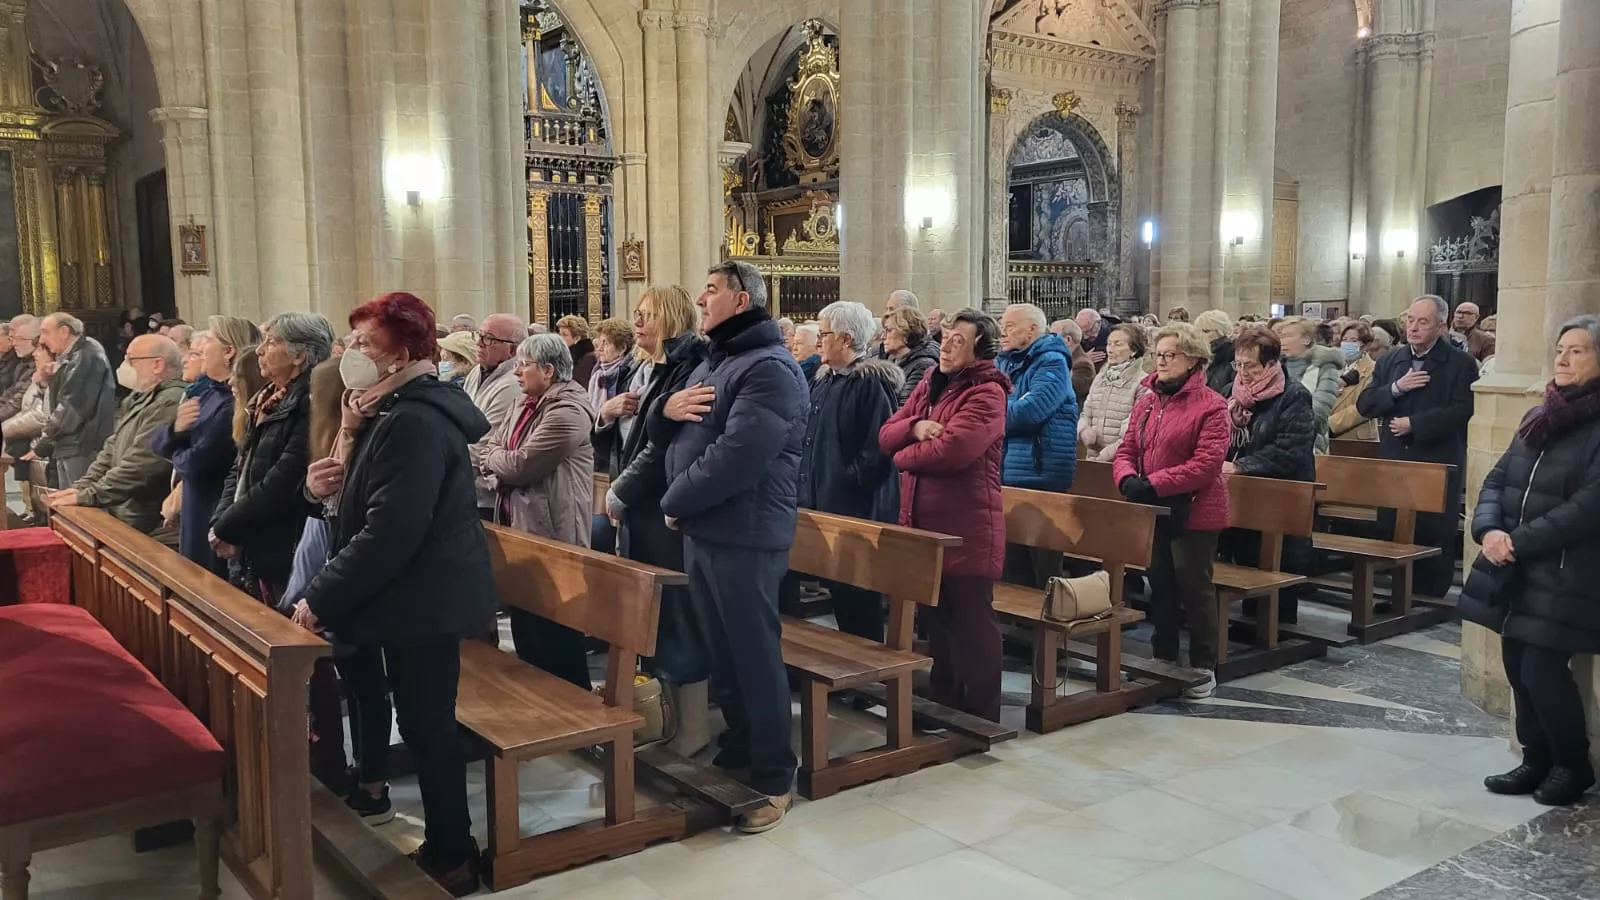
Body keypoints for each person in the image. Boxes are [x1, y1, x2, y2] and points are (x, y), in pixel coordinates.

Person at [293, 292, 495, 895]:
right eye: (351, 341)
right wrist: (317, 487)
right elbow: (357, 509)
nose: (351, 352)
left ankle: (452, 855)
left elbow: (391, 531)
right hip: (406, 596)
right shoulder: (388, 410)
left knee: (429, 727)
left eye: (365, 344)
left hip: (423, 600)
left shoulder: (413, 419)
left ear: (401, 354)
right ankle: (447, 846)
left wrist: (320, 595)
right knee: (424, 721)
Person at [656, 260, 806, 832]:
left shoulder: (769, 369)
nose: (701, 298)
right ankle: (740, 746)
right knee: (722, 651)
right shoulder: (718, 360)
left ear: (742, 300)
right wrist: (665, 412)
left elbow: (739, 454)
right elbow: (668, 425)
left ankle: (774, 775)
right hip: (708, 530)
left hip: (745, 532)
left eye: (712, 290)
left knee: (754, 653)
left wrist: (676, 500)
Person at [1461, 315, 1600, 807]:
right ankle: (1535, 757)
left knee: (1543, 668)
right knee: (1517, 664)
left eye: (1577, 351)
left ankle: (1572, 764)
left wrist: (1518, 540)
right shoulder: (1539, 415)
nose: (1562, 358)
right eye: (1560, 348)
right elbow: (1498, 478)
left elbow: (1587, 507)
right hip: (1516, 565)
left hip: (1568, 570)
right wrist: (1490, 529)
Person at [879, 308, 1008, 721]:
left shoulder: (987, 393)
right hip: (923, 523)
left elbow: (953, 451)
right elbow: (886, 433)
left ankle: (982, 713)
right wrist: (916, 428)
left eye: (958, 340)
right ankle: (944, 703)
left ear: (979, 350)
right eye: (946, 335)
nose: (947, 345)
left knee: (971, 624)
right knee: (936, 622)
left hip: (968, 526)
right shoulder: (933, 385)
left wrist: (904, 457)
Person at [603, 285, 712, 757]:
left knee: (677, 617)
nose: (638, 322)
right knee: (656, 617)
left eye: (646, 314)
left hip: (664, 510)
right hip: (645, 511)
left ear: (669, 317)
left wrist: (621, 489)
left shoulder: (688, 369)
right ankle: (664, 718)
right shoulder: (649, 368)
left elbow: (660, 447)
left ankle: (693, 726)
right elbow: (634, 437)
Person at [1114, 322, 1230, 699]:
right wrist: (1127, 478)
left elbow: (1206, 465)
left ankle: (1202, 665)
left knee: (1194, 588)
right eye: (1158, 354)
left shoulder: (1211, 405)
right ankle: (1162, 659)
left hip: (1194, 511)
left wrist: (1155, 483)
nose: (1161, 362)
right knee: (1159, 586)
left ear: (1193, 359)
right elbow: (1127, 447)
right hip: (1152, 508)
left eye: (1170, 355)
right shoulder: (1147, 400)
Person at [479, 333, 597, 691]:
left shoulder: (568, 411)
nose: (516, 372)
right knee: (526, 624)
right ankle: (538, 701)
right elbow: (491, 443)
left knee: (558, 630)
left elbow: (522, 465)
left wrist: (492, 460)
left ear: (548, 370)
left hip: (555, 531)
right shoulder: (525, 403)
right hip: (520, 525)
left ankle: (574, 712)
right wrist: (496, 457)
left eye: (524, 365)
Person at [1357, 295, 1479, 597]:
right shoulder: (1390, 361)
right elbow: (1366, 403)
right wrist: (1396, 389)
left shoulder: (1460, 364)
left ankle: (1428, 591)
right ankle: (1394, 588)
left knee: (1431, 528)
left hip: (1435, 457)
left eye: (1422, 322)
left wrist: (1416, 424)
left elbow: (1464, 410)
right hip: (1396, 457)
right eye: (1410, 320)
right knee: (1394, 525)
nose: (1413, 327)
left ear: (1441, 326)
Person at [796, 301, 902, 641]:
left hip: (855, 509)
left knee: (857, 596)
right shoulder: (825, 380)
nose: (818, 341)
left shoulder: (869, 383)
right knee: (839, 593)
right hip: (824, 503)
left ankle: (866, 683)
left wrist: (846, 483)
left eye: (824, 334)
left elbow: (880, 446)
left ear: (845, 338)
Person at [211, 313, 332, 605]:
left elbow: (283, 478)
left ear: (299, 355)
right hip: (254, 537)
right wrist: (222, 521)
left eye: (271, 342)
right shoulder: (267, 398)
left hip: (282, 542)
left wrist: (228, 527)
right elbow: (240, 468)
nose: (260, 351)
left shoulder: (309, 401)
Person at [1218, 327, 1317, 623]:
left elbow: (1291, 448)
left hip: (1281, 494)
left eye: (1251, 366)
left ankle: (1277, 626)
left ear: (1272, 364)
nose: (1243, 372)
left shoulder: (1294, 395)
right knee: (1245, 553)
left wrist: (1242, 466)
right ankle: (1248, 623)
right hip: (1241, 493)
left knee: (1277, 559)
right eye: (1239, 364)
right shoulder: (1230, 393)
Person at [151, 317, 261, 576]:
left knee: (209, 584)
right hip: (194, 502)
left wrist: (177, 449)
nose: (199, 348)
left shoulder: (229, 404)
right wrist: (176, 431)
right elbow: (156, 442)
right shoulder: (206, 392)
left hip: (213, 507)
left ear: (229, 351)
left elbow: (196, 465)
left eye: (209, 340)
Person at [47, 335, 185, 539]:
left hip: (148, 517)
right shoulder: (141, 397)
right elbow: (111, 450)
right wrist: (81, 488)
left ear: (157, 364)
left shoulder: (170, 401)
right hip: (125, 510)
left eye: (131, 360)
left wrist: (90, 495)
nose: (124, 366)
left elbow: (143, 464)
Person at [997, 303, 1079, 587]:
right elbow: (987, 404)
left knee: (1044, 567)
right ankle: (1015, 629)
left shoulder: (1052, 361)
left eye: (1009, 326)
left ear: (1032, 329)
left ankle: (1052, 628)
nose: (1002, 332)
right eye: (1001, 325)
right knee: (1012, 564)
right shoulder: (1004, 362)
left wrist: (998, 409)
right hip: (1009, 472)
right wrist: (1006, 405)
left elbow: (1030, 412)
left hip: (1042, 473)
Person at [31, 312, 115, 488]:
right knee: (67, 506)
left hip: (82, 444)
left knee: (79, 506)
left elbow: (73, 406)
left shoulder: (86, 355)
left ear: (64, 331)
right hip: (69, 444)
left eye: (46, 332)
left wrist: (46, 440)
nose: (42, 340)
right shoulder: (74, 355)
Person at [463, 314, 527, 520]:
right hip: (467, 486)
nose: (480, 343)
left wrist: (445, 464)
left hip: (489, 494)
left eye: (489, 338)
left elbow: (484, 442)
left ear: (513, 349)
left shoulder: (514, 384)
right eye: (479, 335)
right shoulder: (476, 372)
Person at [1079, 323, 1148, 462]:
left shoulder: (1143, 382)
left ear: (1133, 350)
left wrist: (1106, 455)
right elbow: (1086, 413)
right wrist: (1084, 431)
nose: (1110, 349)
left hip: (1123, 460)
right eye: (1109, 344)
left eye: (1118, 344)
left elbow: (1135, 429)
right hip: (1093, 458)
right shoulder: (1100, 378)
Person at [1273, 316, 1343, 454]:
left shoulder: (1325, 365)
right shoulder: (1276, 366)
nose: (1282, 341)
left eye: (1289, 336)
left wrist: (1280, 422)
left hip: (1311, 444)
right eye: (1281, 336)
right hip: (1274, 444)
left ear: (1306, 339)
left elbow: (1320, 409)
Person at [5, 344, 54, 522]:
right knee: (38, 505)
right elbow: (25, 408)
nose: (35, 353)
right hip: (35, 447)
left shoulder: (54, 378)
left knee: (48, 512)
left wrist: (4, 429)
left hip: (46, 449)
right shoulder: (38, 376)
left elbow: (40, 416)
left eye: (40, 350)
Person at [1329, 319, 1380, 442]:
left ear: (1366, 345)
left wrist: (1330, 424)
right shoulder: (1334, 366)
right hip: (1328, 437)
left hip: (1356, 437)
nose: (1347, 344)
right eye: (1344, 340)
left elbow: (1365, 407)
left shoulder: (1373, 370)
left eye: (1353, 341)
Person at [881, 307, 938, 406]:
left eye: (889, 330)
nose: (883, 337)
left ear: (906, 332)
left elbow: (905, 408)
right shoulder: (892, 360)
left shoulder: (923, 365)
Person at [1049, 318, 1098, 405]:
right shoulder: (1058, 357)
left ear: (1068, 340)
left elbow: (1064, 390)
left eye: (1054, 336)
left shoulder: (1082, 365)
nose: (1049, 340)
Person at [1195, 309, 1236, 396]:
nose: (1200, 335)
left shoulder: (1232, 357)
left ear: (1220, 331)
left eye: (1206, 331)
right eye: (1198, 331)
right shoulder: (1198, 357)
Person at [557, 314, 598, 386]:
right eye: (560, 334)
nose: (560, 338)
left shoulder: (588, 359)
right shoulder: (565, 357)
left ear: (577, 338)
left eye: (565, 335)